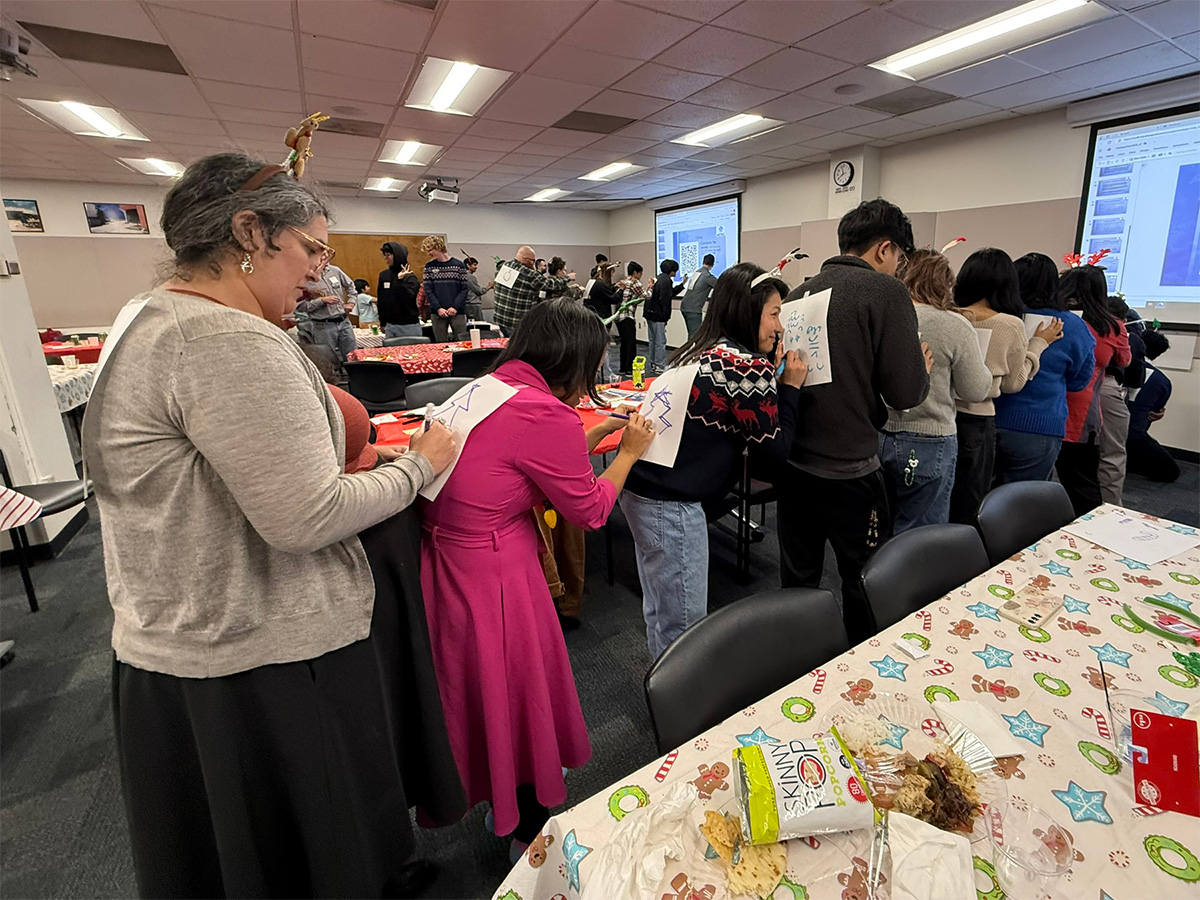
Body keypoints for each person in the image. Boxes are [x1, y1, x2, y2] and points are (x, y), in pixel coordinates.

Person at [82, 152, 461, 898]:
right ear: (249, 232)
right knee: (312, 839)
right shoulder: (226, 340)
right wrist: (418, 466)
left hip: (189, 635)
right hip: (257, 647)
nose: (320, 273)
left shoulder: (152, 316)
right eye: (312, 249)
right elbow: (307, 517)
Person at [418, 299, 655, 861]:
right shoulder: (543, 415)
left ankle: (500, 803)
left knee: (478, 695)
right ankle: (527, 835)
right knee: (516, 694)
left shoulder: (485, 387)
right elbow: (591, 511)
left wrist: (592, 431)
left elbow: (519, 452)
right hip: (495, 574)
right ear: (574, 362)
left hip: (446, 564)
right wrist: (628, 453)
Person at [622, 263, 807, 658]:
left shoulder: (698, 347)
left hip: (639, 492)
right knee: (685, 630)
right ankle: (683, 714)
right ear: (747, 309)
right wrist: (788, 388)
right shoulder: (745, 365)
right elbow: (772, 459)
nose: (780, 326)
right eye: (775, 313)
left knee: (659, 611)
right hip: (672, 506)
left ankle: (663, 694)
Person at [776, 198, 930, 645]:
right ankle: (860, 667)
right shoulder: (885, 292)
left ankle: (795, 661)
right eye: (900, 258)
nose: (899, 269)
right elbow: (905, 393)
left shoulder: (796, 294)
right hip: (850, 468)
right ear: (884, 249)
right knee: (863, 578)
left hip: (795, 463)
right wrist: (921, 370)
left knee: (799, 578)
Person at [880, 249, 992, 532]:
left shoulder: (883, 316)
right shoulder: (954, 325)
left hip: (880, 433)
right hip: (931, 438)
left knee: (882, 520)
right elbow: (974, 389)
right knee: (921, 530)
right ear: (946, 284)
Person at [948, 247, 1060, 525]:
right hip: (978, 419)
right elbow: (1013, 383)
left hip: (946, 416)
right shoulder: (1010, 324)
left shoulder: (950, 316)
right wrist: (1039, 344)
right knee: (971, 498)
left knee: (944, 494)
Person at [993, 253, 1096, 485]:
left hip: (988, 417)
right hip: (1039, 424)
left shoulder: (999, 317)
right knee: (1023, 499)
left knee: (978, 494)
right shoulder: (1072, 326)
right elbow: (1080, 381)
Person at [1055, 265, 1131, 515]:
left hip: (1049, 402)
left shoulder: (1054, 318)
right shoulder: (1112, 326)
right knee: (1091, 473)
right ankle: (1107, 516)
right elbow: (1123, 361)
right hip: (1084, 408)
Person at [1097, 295, 1146, 504]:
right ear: (1124, 319)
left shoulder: (1081, 325)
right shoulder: (1124, 334)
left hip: (1074, 389)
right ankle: (1110, 509)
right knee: (1112, 454)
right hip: (1107, 389)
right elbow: (1135, 377)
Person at [1126, 328, 1179, 483]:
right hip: (1134, 434)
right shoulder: (1162, 381)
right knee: (1171, 472)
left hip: (1105, 429)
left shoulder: (1118, 366)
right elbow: (1154, 412)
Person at [491, 245, 576, 334]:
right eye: (533, 261)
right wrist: (568, 278)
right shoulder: (529, 274)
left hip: (500, 319)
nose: (534, 264)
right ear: (527, 260)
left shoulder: (505, 266)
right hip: (516, 322)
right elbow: (550, 284)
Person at [295, 261, 357, 362]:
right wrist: (321, 301)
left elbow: (351, 287)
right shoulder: (303, 278)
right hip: (323, 326)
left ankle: (356, 377)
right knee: (327, 361)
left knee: (353, 357)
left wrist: (351, 303)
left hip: (344, 322)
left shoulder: (335, 270)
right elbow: (300, 307)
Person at [421, 235, 469, 342]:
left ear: (438, 247)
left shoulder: (459, 265)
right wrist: (438, 308)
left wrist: (455, 307)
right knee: (440, 343)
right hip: (437, 313)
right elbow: (428, 290)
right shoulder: (429, 267)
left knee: (461, 342)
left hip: (458, 312)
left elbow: (464, 289)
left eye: (430, 250)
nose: (429, 254)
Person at [645, 259, 683, 374]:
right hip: (658, 315)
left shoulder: (659, 278)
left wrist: (682, 285)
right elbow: (665, 300)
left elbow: (669, 294)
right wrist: (666, 318)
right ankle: (660, 365)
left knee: (652, 340)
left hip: (649, 313)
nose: (676, 273)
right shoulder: (667, 281)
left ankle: (653, 363)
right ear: (672, 271)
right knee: (660, 341)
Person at [377, 241, 422, 338]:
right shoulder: (384, 275)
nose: (386, 258)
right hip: (390, 325)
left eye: (388, 255)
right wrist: (382, 322)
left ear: (397, 256)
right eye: (384, 255)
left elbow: (408, 297)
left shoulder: (410, 277)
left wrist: (399, 281)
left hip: (409, 325)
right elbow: (381, 300)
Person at [615, 262, 650, 378]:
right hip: (627, 316)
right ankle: (630, 370)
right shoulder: (635, 282)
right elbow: (646, 296)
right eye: (640, 273)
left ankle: (623, 368)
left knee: (624, 343)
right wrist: (651, 287)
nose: (641, 276)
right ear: (635, 273)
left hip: (618, 316)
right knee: (631, 343)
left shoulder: (625, 281)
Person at [679, 253, 718, 338]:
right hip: (693, 309)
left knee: (692, 333)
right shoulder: (707, 276)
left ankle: (690, 350)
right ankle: (691, 351)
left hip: (685, 306)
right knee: (695, 335)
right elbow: (720, 286)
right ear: (712, 264)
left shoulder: (696, 273)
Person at [464, 256, 491, 322]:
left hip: (468, 304)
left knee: (471, 325)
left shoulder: (463, 276)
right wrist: (489, 286)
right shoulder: (470, 277)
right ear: (468, 265)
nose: (476, 267)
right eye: (474, 265)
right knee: (478, 325)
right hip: (473, 305)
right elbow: (479, 291)